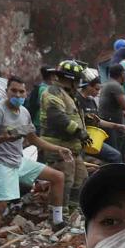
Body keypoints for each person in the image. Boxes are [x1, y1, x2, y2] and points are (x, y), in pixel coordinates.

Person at [0, 76, 72, 226]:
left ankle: (57, 221)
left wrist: (58, 148)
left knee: (58, 177)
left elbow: (34, 139)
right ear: (6, 91)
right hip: (0, 163)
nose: (17, 95)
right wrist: (4, 138)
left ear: (26, 93)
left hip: (18, 160)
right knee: (0, 207)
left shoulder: (24, 112)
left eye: (21, 91)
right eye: (13, 91)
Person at [39, 60, 93, 217]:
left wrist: (86, 121)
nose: (79, 83)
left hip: (72, 148)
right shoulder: (53, 92)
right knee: (64, 182)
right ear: (71, 79)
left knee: (81, 178)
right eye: (77, 80)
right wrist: (79, 132)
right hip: (58, 148)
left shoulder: (69, 95)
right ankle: (58, 216)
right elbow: (57, 117)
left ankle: (73, 212)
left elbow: (71, 115)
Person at [78, 73, 125, 164]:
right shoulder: (77, 100)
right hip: (80, 139)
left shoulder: (91, 101)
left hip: (93, 138)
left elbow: (97, 120)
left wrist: (116, 126)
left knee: (116, 155)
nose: (98, 92)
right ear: (88, 86)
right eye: (96, 89)